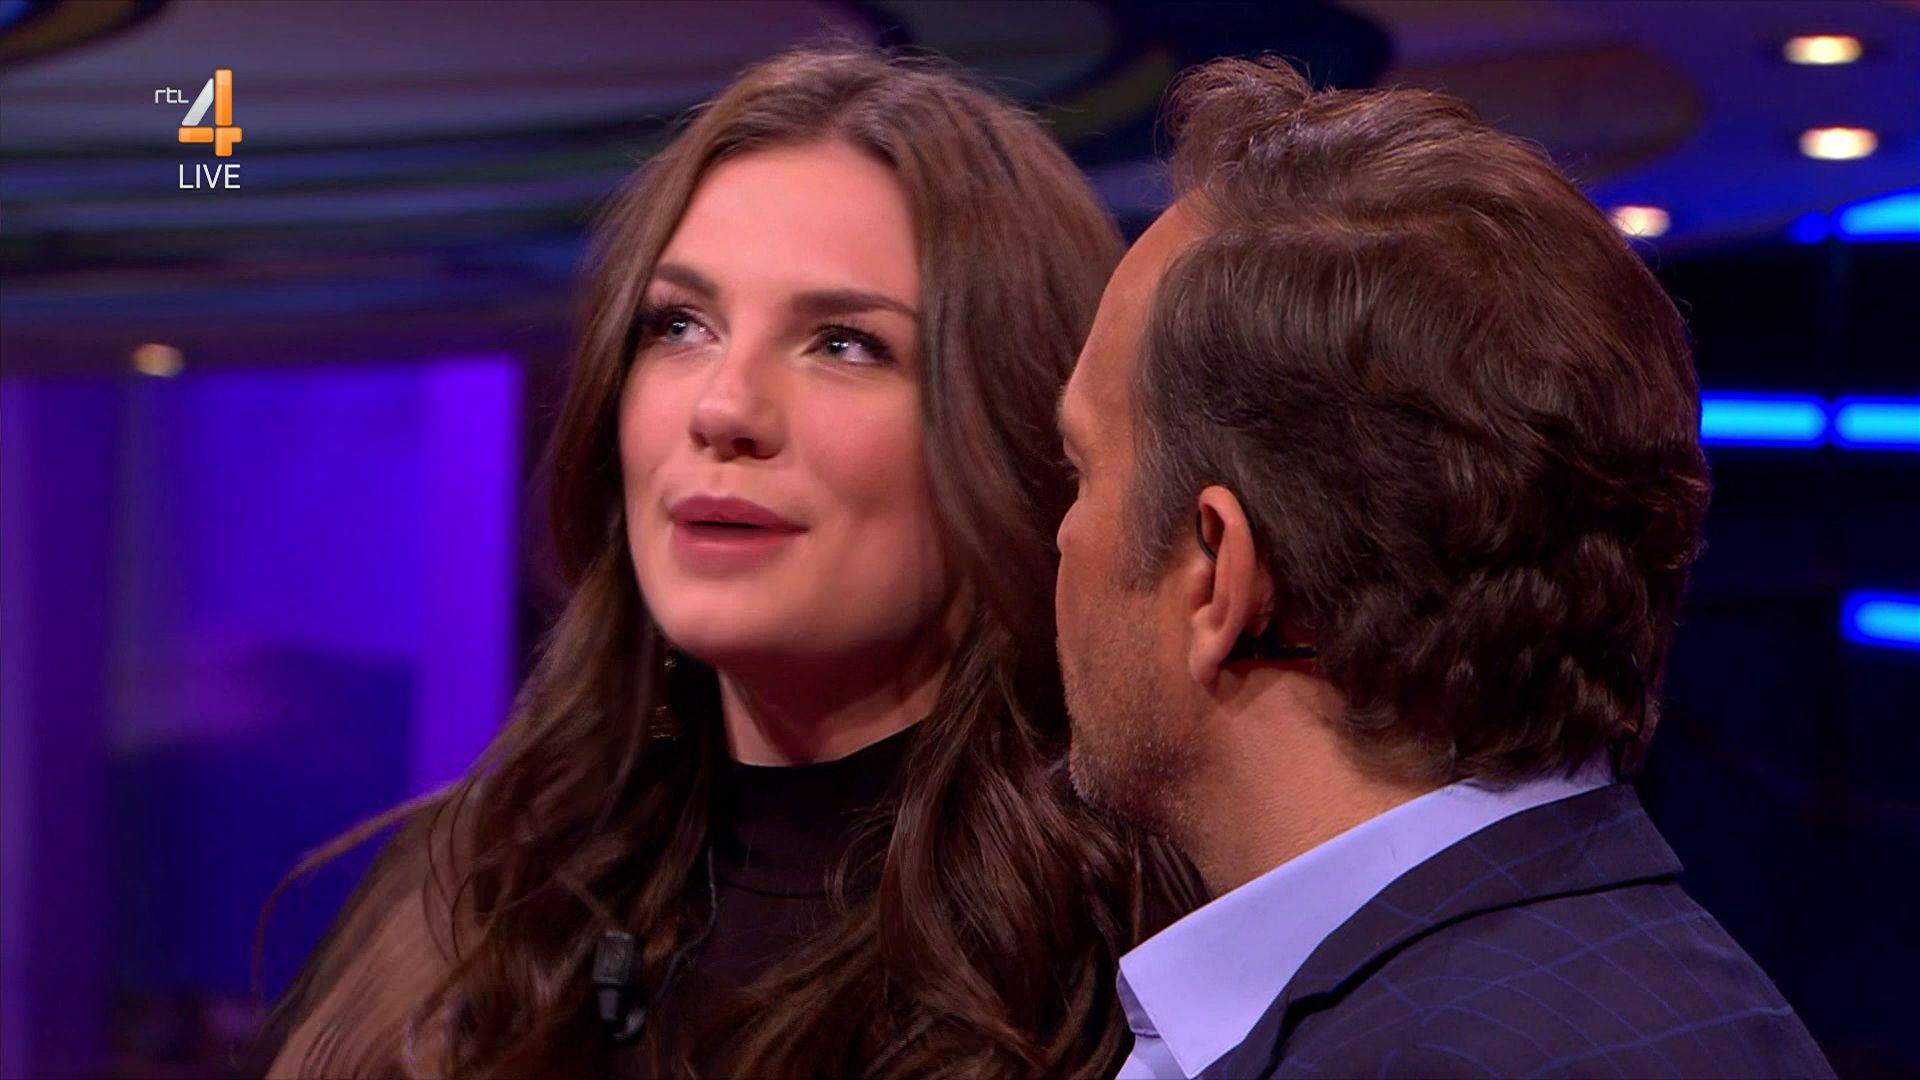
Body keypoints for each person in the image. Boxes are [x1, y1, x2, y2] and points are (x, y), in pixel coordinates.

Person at [261, 45, 1198, 1079]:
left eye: (844, 343)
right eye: (680, 325)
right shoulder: (474, 898)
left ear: (1015, 425)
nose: (723, 407)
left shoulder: (1146, 954)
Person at [1053, 56, 1834, 1079]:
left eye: (1081, 472)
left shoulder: (1419, 1055)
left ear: (1219, 577)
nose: (1059, 537)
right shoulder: (1656, 992)